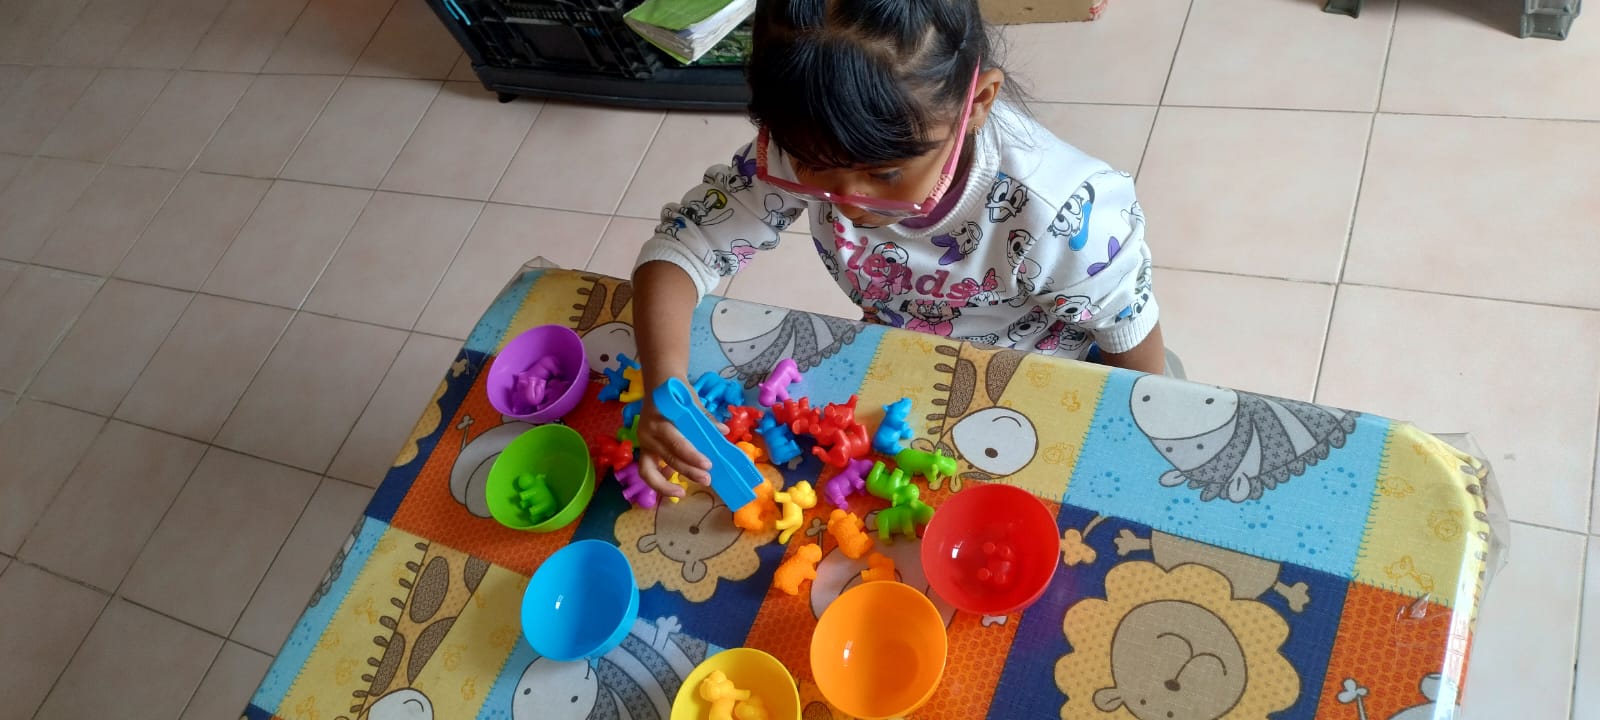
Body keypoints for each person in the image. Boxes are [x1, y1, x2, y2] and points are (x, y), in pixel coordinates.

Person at [629, 0, 1165, 497]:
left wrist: (1133, 455)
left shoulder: (1059, 215)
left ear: (977, 103)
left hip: (1041, 379)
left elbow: (1130, 340)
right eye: (813, 166)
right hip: (903, 362)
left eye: (884, 174)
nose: (849, 202)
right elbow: (683, 248)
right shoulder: (817, 140)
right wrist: (666, 385)